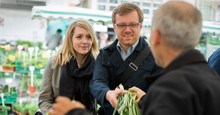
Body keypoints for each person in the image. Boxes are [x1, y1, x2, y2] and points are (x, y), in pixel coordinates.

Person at [129, 1, 220, 115]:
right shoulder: (213, 80)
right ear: (195, 38)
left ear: (156, 36)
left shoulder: (168, 89)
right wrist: (147, 100)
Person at [90, 2, 162, 115]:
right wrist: (108, 94)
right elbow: (97, 82)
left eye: (133, 24)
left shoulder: (156, 55)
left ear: (140, 26)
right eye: (122, 25)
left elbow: (162, 93)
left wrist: (144, 99)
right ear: (114, 26)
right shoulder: (105, 54)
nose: (127, 30)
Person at [38, 20, 99, 115]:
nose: (85, 41)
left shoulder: (98, 64)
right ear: (70, 39)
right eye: (79, 37)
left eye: (89, 37)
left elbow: (103, 98)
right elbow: (44, 99)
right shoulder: (55, 63)